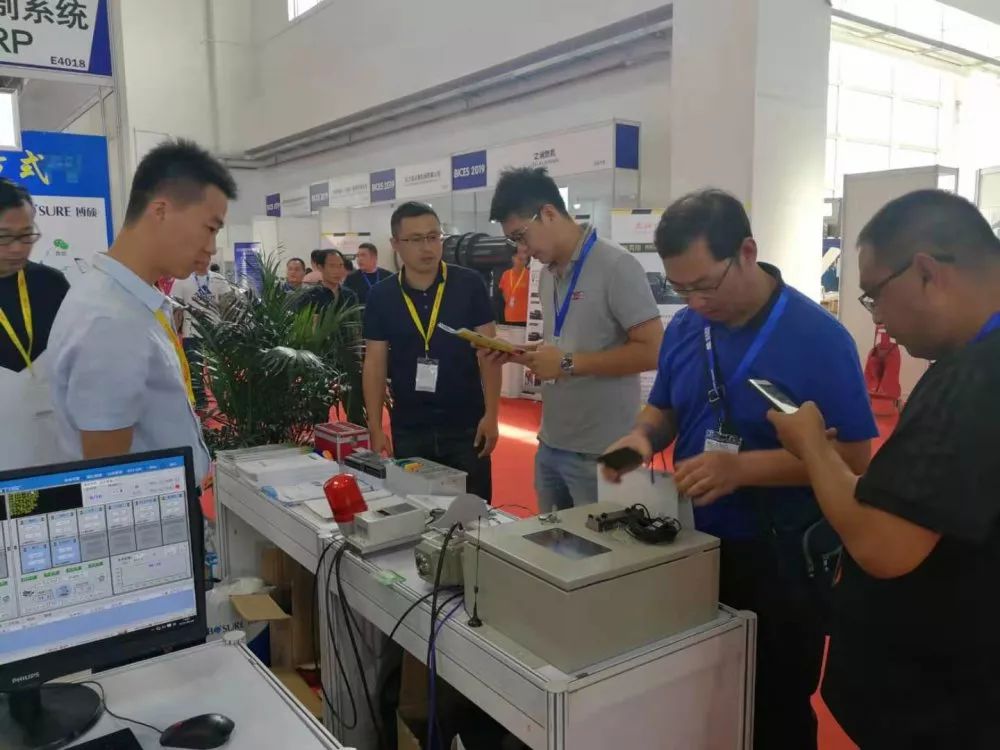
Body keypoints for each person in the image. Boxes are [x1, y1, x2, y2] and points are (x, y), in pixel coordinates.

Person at [601, 189, 876, 750]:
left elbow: (853, 459)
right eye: (681, 289)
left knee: (775, 705)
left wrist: (741, 469)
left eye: (706, 284)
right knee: (700, 692)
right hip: (690, 542)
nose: (696, 301)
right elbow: (666, 407)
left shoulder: (819, 338)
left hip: (781, 557)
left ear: (747, 252)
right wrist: (639, 439)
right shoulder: (686, 327)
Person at [768, 190, 1000, 748]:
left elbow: (883, 544)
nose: (878, 319)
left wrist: (812, 447)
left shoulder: (972, 380)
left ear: (926, 273)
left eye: (875, 296)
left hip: (944, 700)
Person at [47, 139, 237, 486]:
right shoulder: (109, 320)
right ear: (161, 210)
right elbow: (111, 482)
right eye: (210, 228)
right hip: (153, 516)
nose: (211, 247)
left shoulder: (129, 300)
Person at [488, 167, 662, 510]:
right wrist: (522, 353)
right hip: (551, 442)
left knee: (600, 543)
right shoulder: (547, 275)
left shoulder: (616, 266)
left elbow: (654, 350)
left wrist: (567, 363)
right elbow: (565, 346)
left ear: (549, 213)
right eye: (514, 241)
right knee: (551, 541)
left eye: (522, 236)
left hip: (602, 451)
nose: (522, 249)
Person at [362, 201, 500, 501]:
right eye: (415, 239)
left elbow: (489, 353)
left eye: (434, 236)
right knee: (415, 509)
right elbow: (374, 363)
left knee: (473, 511)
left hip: (467, 424)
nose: (427, 247)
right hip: (410, 425)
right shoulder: (381, 295)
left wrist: (492, 414)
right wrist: (375, 426)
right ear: (395, 244)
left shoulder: (469, 284)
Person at [0, 179, 70, 471]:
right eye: (4, 237)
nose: (18, 248)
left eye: (27, 235)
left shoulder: (52, 284)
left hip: (54, 446)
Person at [172, 257, 230, 409]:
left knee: (218, 369)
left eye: (206, 257)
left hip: (215, 332)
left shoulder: (219, 280)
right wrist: (173, 332)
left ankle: (222, 402)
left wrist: (228, 328)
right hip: (191, 332)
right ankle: (200, 400)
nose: (203, 260)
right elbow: (177, 310)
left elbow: (227, 306)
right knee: (194, 369)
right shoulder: (181, 280)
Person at [292, 248, 359, 314]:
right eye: (332, 266)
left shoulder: (350, 296)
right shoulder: (310, 296)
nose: (337, 270)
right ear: (320, 267)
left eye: (340, 265)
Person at [498, 243, 530, 324]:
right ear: (513, 258)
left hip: (525, 317)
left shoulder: (529, 275)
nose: (521, 261)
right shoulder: (506, 274)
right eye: (518, 258)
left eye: (523, 259)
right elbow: (503, 293)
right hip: (509, 316)